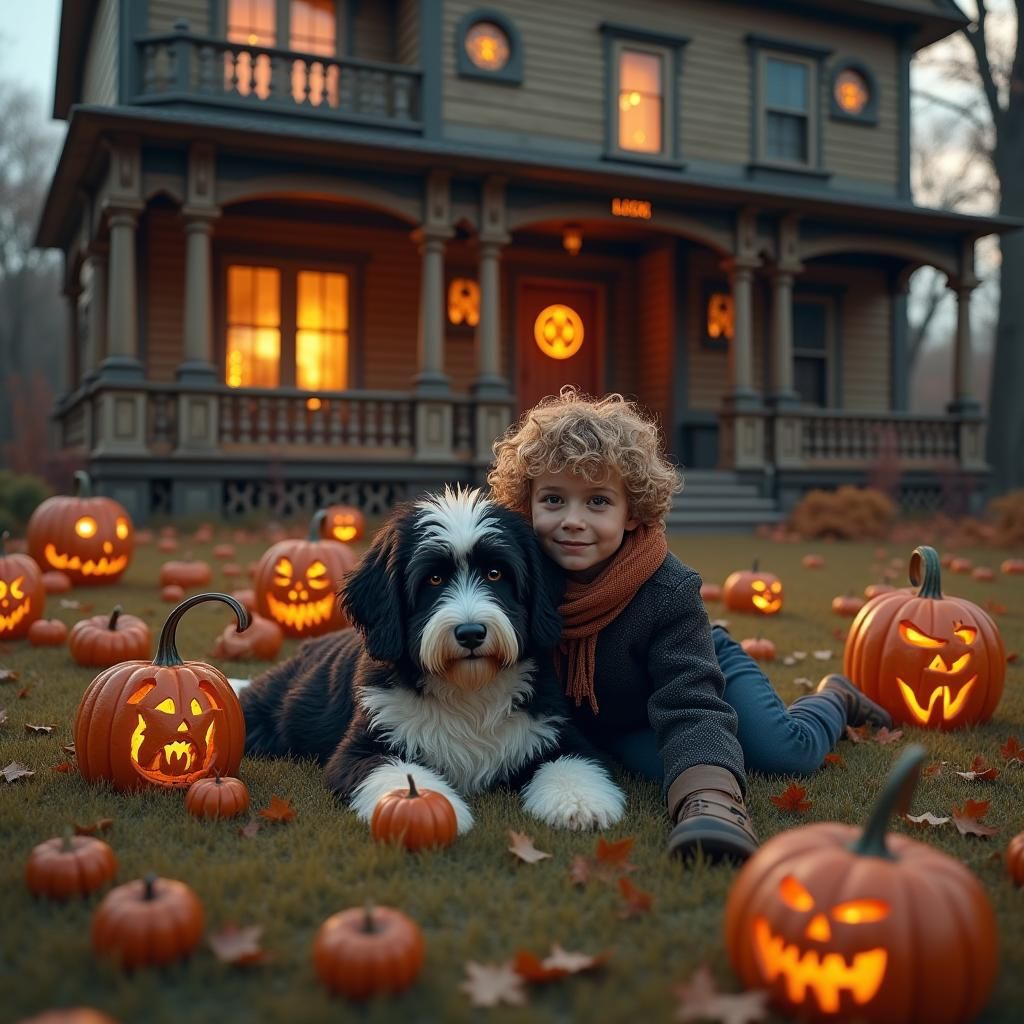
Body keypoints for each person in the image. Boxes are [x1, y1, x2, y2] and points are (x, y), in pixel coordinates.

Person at [486, 388, 891, 864]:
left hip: (698, 667)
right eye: (554, 499)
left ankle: (835, 698)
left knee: (780, 754)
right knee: (648, 767)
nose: (572, 521)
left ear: (632, 511)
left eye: (597, 502)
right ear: (527, 503)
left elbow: (689, 702)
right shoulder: (518, 577)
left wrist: (710, 801)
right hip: (613, 721)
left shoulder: (667, 590)